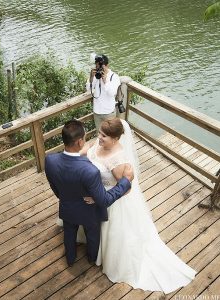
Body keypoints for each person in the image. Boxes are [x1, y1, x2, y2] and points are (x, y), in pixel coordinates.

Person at [81, 118, 196, 294]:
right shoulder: (100, 142)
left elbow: (125, 190)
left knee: (113, 232)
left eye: (104, 136)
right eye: (100, 133)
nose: (99, 137)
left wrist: (98, 198)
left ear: (116, 139)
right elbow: (91, 151)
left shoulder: (118, 161)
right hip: (93, 193)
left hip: (110, 202)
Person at [44, 120, 133, 267]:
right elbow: (104, 201)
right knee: (92, 235)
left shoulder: (50, 160)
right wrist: (127, 180)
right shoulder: (90, 171)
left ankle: (70, 259)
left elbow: (55, 187)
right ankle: (92, 258)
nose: (96, 138)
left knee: (69, 233)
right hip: (89, 211)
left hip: (67, 207)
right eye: (85, 138)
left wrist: (65, 197)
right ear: (79, 142)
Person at [86, 54, 120, 131]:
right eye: (97, 66)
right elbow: (88, 89)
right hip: (97, 111)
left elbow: (112, 93)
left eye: (101, 67)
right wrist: (91, 77)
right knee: (99, 134)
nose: (99, 68)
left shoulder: (114, 77)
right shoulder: (96, 75)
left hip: (108, 112)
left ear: (107, 65)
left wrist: (105, 81)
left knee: (110, 135)